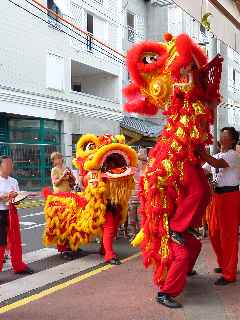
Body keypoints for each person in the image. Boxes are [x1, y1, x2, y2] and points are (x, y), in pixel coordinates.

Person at [200, 127, 240, 285]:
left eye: (225, 136)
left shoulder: (234, 155)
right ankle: (225, 264)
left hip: (231, 197)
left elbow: (216, 163)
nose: (221, 138)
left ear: (232, 141)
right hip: (217, 197)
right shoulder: (217, 155)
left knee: (228, 235)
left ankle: (229, 274)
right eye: (221, 135)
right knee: (214, 233)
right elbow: (204, 170)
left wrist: (200, 151)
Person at [0, 155, 33, 275]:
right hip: (0, 213)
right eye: (7, 164)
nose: (10, 166)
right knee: (1, 243)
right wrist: (6, 196)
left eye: (11, 164)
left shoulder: (14, 181)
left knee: (15, 240)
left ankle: (18, 265)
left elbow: (17, 200)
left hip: (11, 212)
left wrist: (20, 196)